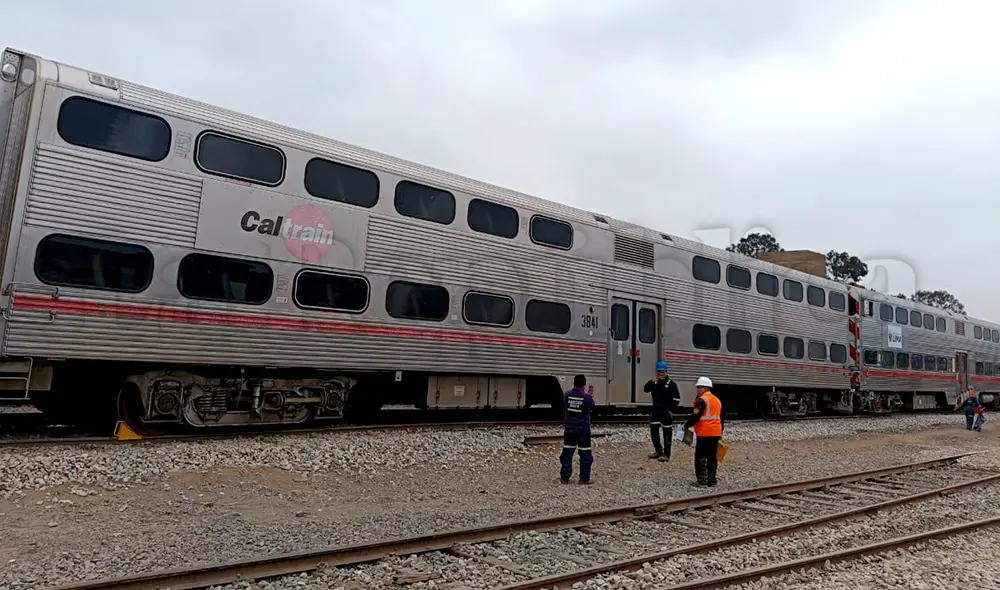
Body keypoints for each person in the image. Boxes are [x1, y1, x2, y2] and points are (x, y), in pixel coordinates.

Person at [684, 376, 723, 487]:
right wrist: (720, 432)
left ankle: (702, 481)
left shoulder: (701, 400)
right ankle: (712, 480)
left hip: (705, 433)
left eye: (698, 387)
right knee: (712, 457)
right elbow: (721, 418)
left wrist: (686, 426)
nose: (697, 390)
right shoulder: (717, 400)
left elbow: (695, 416)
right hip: (715, 433)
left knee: (700, 457)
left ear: (704, 388)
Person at [560, 374, 594, 485]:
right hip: (583, 430)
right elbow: (592, 406)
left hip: (569, 429)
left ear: (574, 383)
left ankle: (565, 477)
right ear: (584, 385)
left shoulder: (567, 395)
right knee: (585, 454)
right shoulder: (587, 397)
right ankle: (584, 478)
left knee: (567, 453)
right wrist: (590, 394)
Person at [643, 360, 681, 461]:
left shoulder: (672, 384)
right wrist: (651, 381)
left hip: (665, 413)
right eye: (659, 372)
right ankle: (658, 451)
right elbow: (645, 389)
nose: (661, 374)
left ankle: (666, 454)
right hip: (655, 412)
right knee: (654, 433)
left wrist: (669, 409)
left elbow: (676, 399)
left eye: (662, 372)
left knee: (667, 435)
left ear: (666, 372)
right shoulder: (654, 383)